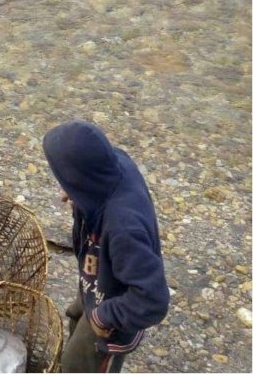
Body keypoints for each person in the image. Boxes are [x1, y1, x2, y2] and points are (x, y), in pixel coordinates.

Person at [43, 120, 169, 374]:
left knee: (78, 367)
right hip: (98, 279)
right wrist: (79, 196)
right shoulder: (115, 165)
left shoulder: (124, 228)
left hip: (113, 322)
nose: (63, 190)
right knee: (76, 319)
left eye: (67, 182)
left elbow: (153, 299)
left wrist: (104, 317)